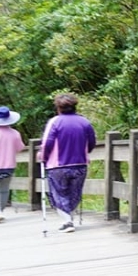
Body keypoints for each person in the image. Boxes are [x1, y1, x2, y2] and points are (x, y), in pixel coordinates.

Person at [40, 94, 96, 233]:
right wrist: (84, 152)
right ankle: (69, 217)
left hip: (57, 165)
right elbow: (92, 141)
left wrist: (43, 157)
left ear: (58, 107)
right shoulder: (84, 122)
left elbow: (47, 143)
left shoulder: (55, 122)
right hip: (80, 164)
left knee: (59, 193)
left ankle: (67, 221)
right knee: (74, 193)